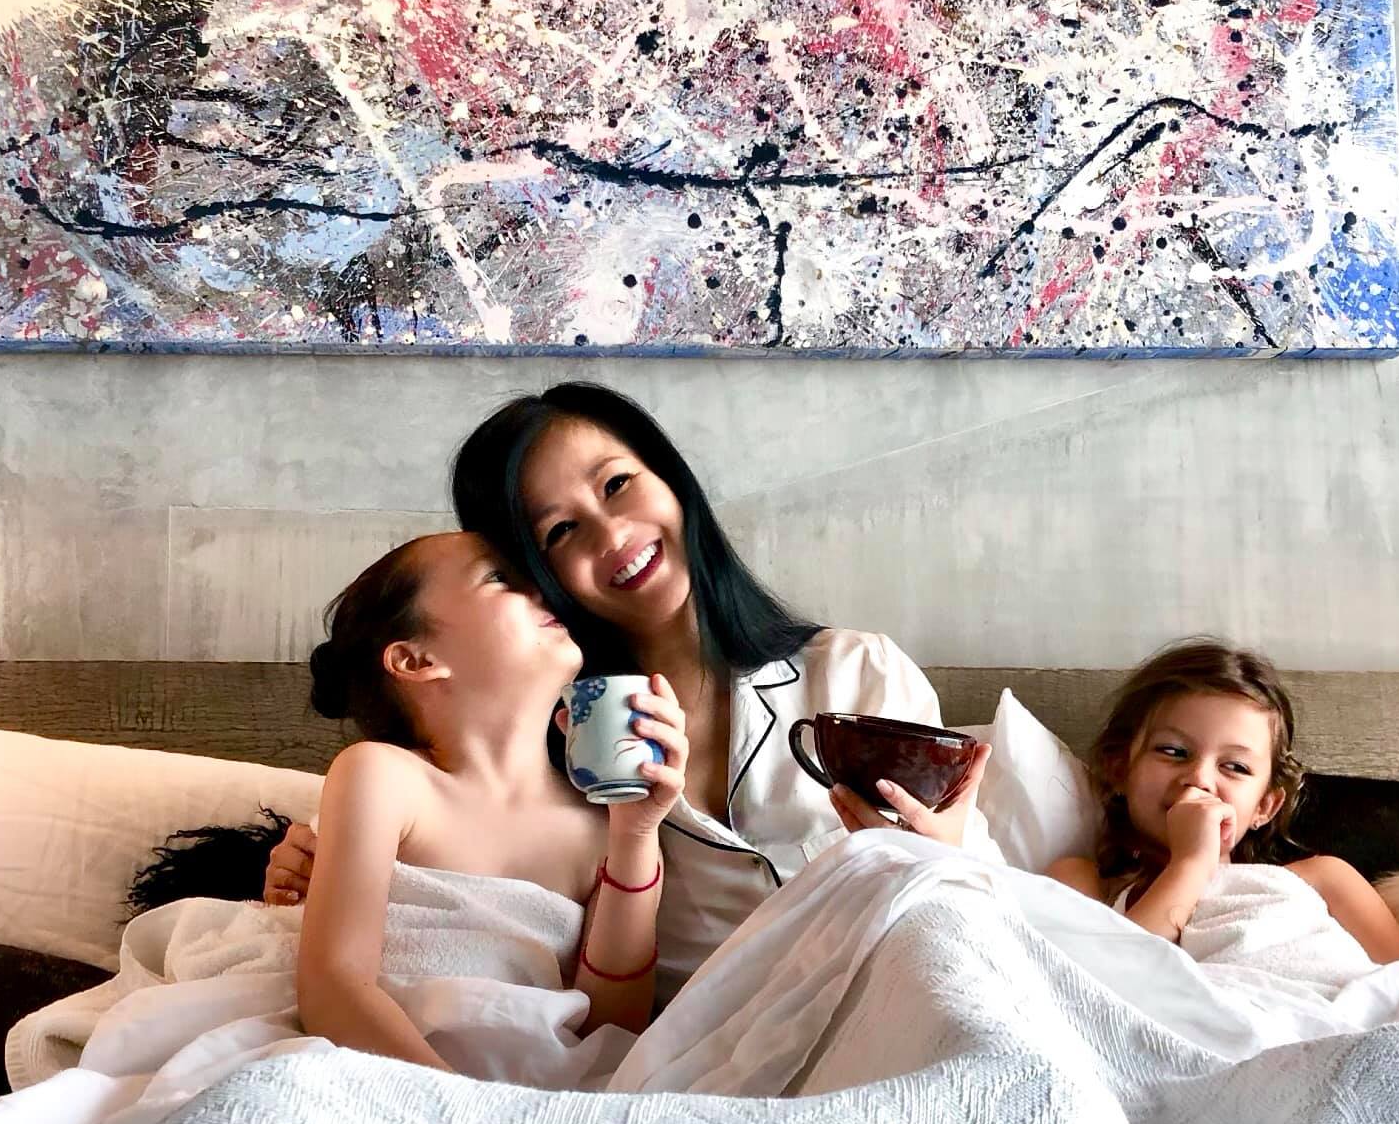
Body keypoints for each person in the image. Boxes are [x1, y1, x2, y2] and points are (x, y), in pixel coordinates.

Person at [267, 382, 998, 997]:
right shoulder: (553, 758)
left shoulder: (859, 674)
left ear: (669, 478)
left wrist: (945, 857)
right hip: (701, 1061)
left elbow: (981, 913)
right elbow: (443, 867)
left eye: (617, 484)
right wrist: (311, 863)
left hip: (890, 1000)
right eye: (560, 532)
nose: (612, 535)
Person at [296, 529, 688, 1065]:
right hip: (399, 1072)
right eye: (500, 577)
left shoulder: (603, 829)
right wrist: (456, 1103)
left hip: (531, 1081)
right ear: (415, 660)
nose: (542, 588)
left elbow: (610, 1031)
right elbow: (333, 984)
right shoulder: (383, 777)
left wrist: (637, 836)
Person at [1044, 640, 1399, 963]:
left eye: (1235, 766)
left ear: (1265, 807)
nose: (1199, 778)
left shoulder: (1325, 879)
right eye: (1173, 751)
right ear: (1120, 769)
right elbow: (1101, 983)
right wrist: (1192, 861)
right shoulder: (1086, 882)